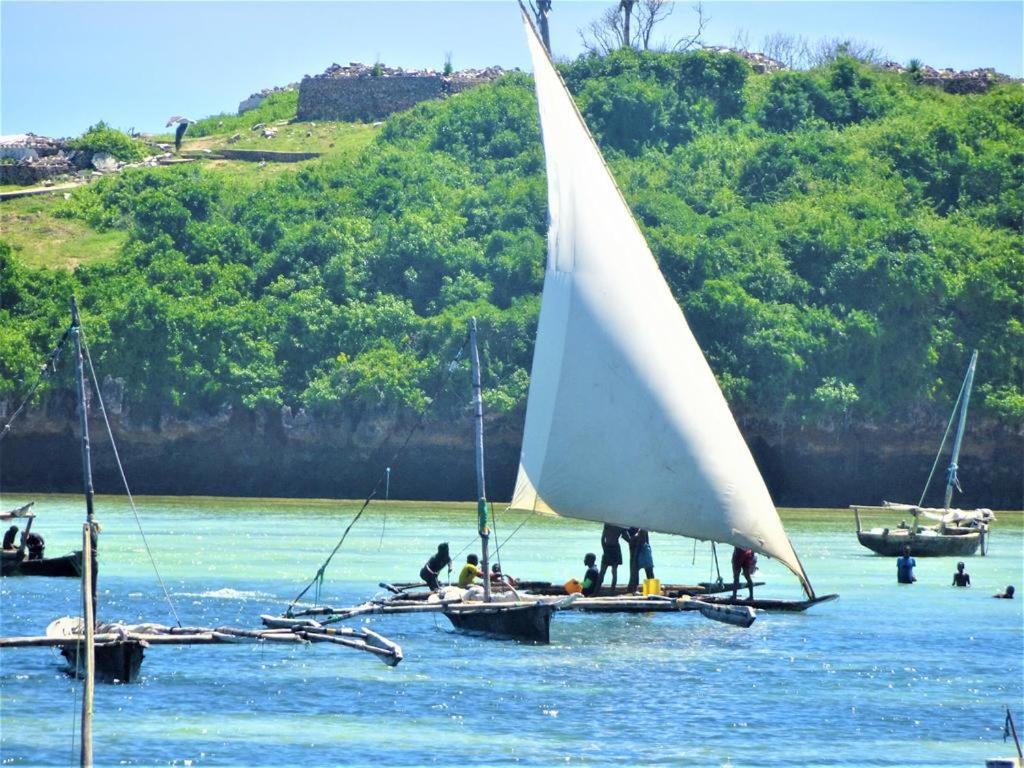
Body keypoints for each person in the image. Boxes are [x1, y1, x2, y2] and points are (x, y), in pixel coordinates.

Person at [626, 528, 654, 593]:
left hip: (643, 550)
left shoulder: (642, 526)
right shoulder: (630, 527)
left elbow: (645, 540)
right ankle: (633, 590)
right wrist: (634, 538)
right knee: (634, 574)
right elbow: (627, 538)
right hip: (635, 551)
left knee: (649, 572)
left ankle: (652, 591)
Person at [599, 523, 624, 590]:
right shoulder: (608, 523)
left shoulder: (620, 524)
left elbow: (625, 535)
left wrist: (631, 541)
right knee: (602, 571)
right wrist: (605, 549)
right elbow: (602, 538)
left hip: (615, 548)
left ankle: (612, 589)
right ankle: (597, 589)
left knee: (614, 571)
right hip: (608, 547)